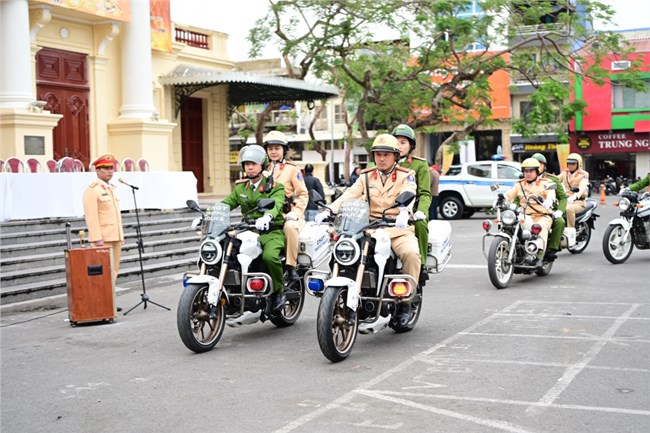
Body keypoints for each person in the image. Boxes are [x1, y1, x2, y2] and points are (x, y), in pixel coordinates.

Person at [315, 134, 420, 326]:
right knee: (341, 251)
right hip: (368, 228)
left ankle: (407, 303)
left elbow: (410, 191)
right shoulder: (365, 176)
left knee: (411, 254)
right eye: (378, 154)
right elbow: (349, 194)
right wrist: (329, 210)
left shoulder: (406, 175)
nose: (381, 158)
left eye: (386, 155)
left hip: (397, 228)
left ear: (395, 156)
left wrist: (405, 211)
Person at [221, 145, 287, 312]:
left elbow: (277, 204)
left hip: (270, 231)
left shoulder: (275, 187)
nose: (249, 167)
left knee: (270, 257)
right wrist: (207, 215)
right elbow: (226, 203)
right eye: (246, 164)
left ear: (262, 166)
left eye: (253, 164)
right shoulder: (241, 188)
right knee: (226, 252)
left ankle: (278, 292)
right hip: (247, 232)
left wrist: (268, 216)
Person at [263, 130, 308, 289]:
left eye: (277, 148)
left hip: (287, 213)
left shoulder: (292, 169)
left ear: (284, 150)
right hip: (265, 215)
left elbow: (303, 194)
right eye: (270, 149)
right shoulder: (260, 168)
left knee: (289, 227)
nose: (273, 152)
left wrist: (295, 213)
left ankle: (291, 267)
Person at [392, 124, 431, 284]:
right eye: (396, 142)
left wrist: (420, 211)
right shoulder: (382, 163)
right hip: (388, 211)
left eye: (403, 142)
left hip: (412, 211)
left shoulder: (419, 165)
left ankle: (420, 265)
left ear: (411, 145)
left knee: (420, 224)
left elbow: (424, 194)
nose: (399, 146)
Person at [83, 154, 124, 287]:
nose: (110, 171)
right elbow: (91, 216)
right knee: (103, 271)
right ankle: (102, 301)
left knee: (114, 271)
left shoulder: (112, 188)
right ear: (98, 170)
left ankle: (110, 301)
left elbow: (116, 215)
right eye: (105, 168)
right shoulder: (93, 190)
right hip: (103, 238)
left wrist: (121, 235)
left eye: (111, 168)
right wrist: (96, 238)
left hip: (115, 236)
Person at [503, 158, 556, 262]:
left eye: (531, 171)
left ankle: (539, 255)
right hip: (525, 215)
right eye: (526, 171)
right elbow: (509, 194)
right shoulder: (519, 184)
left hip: (542, 215)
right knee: (510, 225)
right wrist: (501, 198)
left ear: (537, 171)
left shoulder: (546, 183)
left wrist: (549, 201)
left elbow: (551, 194)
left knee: (540, 228)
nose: (528, 174)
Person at [531, 153, 566, 261]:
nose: (537, 167)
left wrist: (559, 211)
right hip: (529, 209)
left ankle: (551, 249)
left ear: (544, 166)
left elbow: (563, 198)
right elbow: (518, 197)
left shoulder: (552, 180)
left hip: (549, 210)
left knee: (560, 222)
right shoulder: (526, 179)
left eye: (539, 164)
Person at [558, 153, 589, 242]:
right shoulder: (565, 173)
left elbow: (583, 186)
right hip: (566, 199)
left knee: (569, 209)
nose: (570, 166)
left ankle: (570, 232)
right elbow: (556, 180)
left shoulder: (584, 174)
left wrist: (576, 195)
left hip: (579, 201)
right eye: (569, 163)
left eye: (573, 164)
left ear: (578, 164)